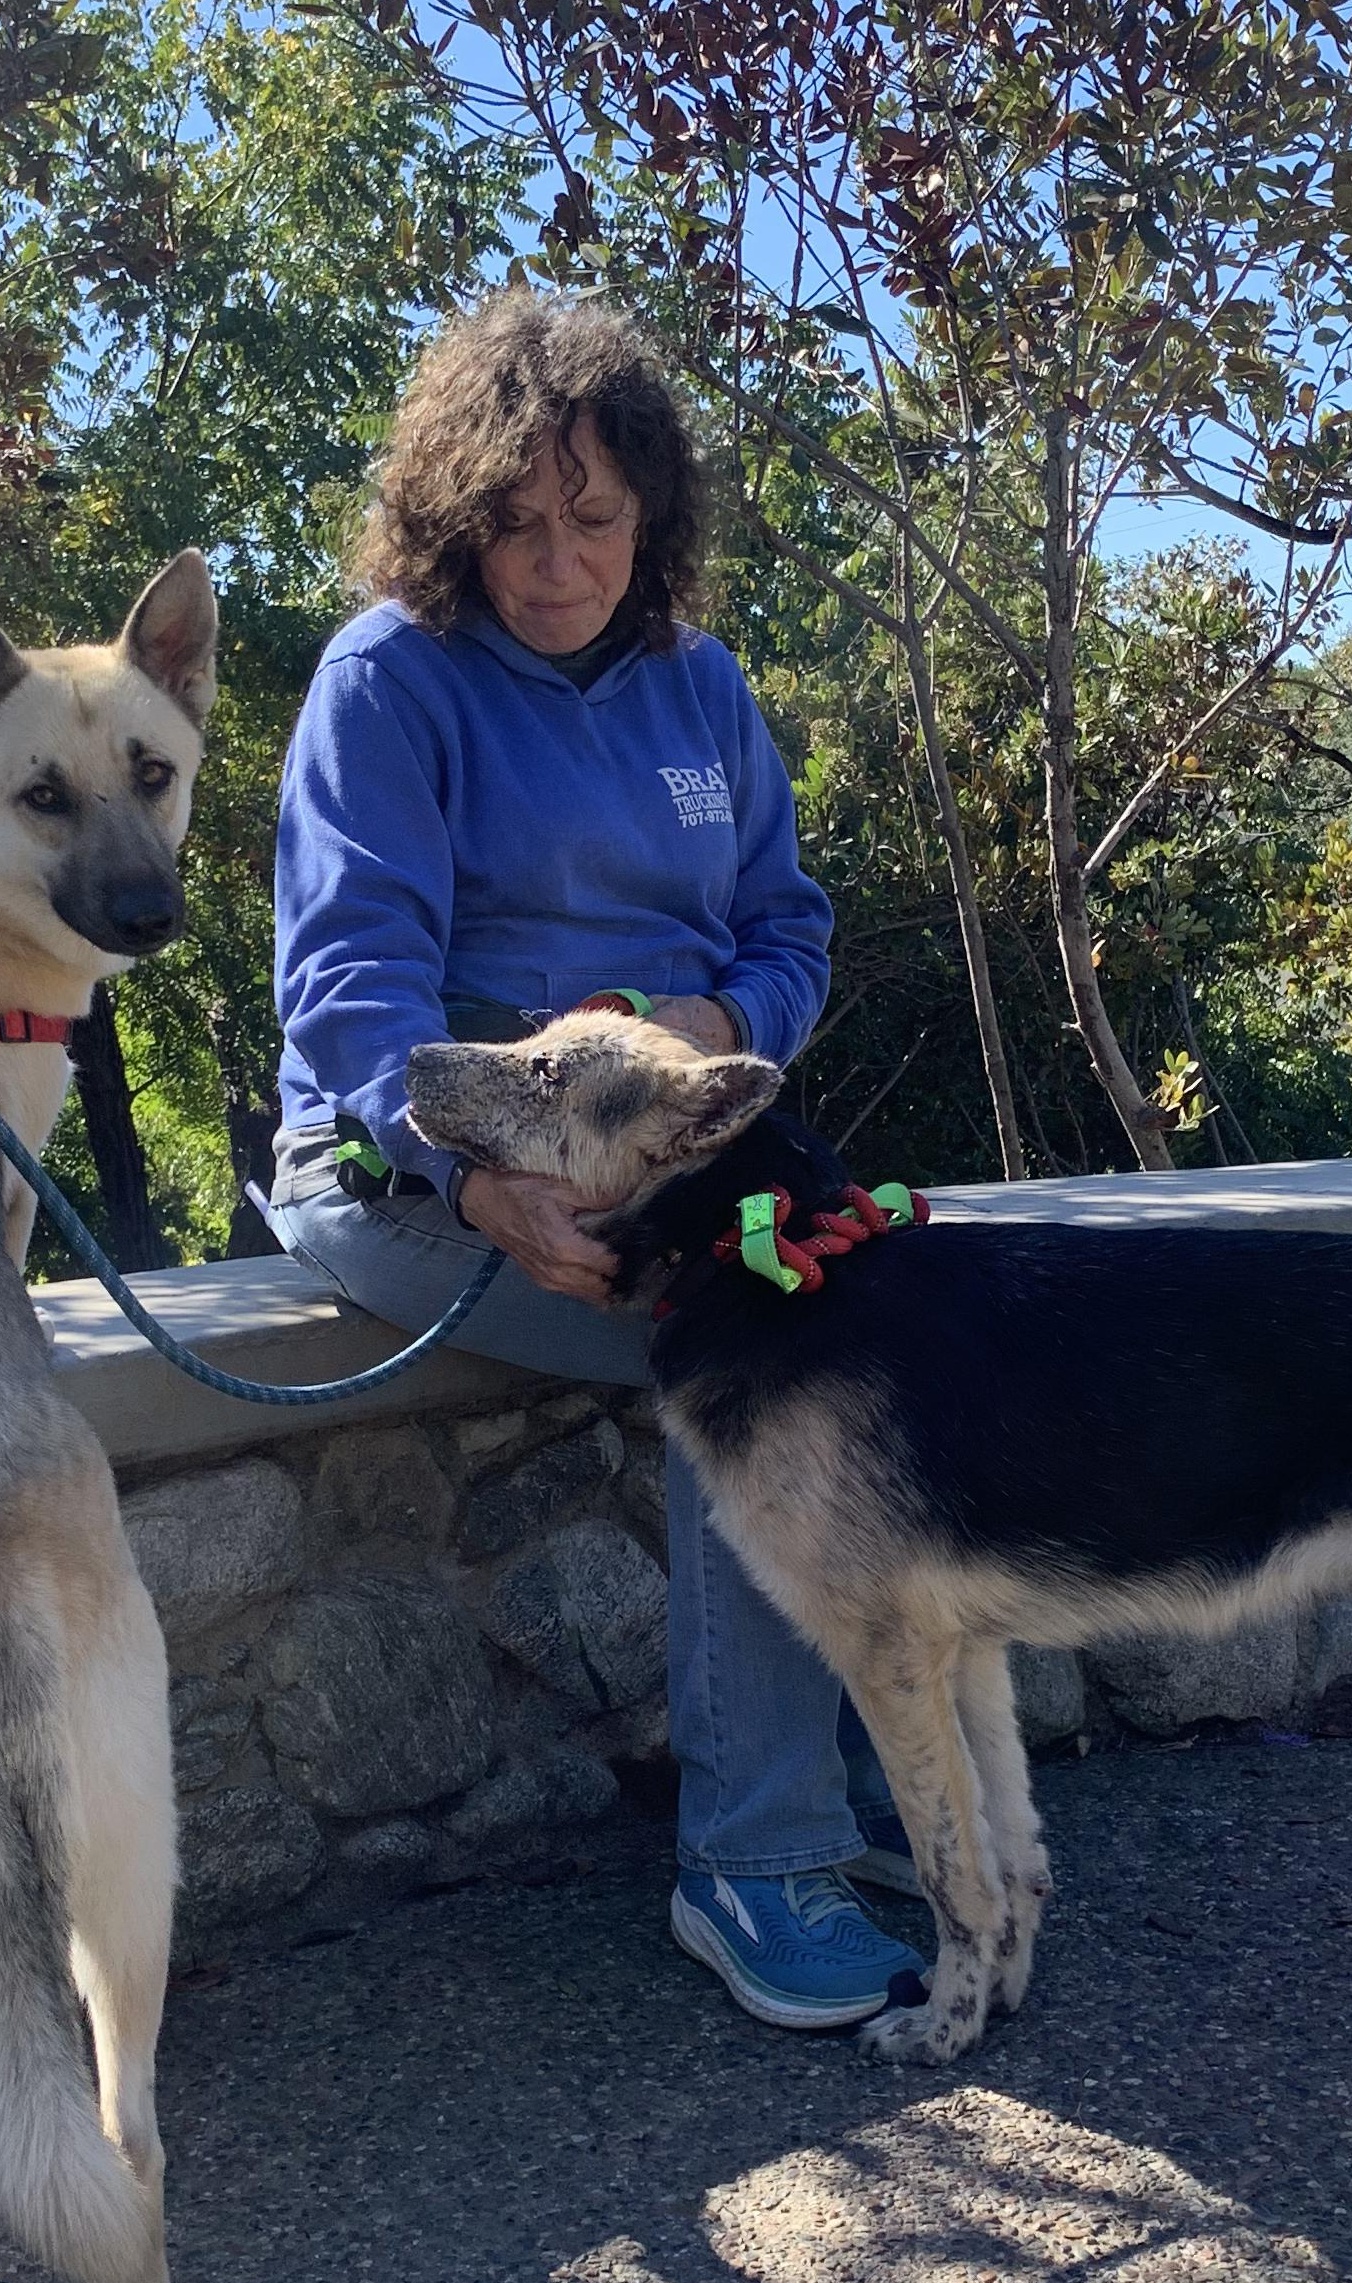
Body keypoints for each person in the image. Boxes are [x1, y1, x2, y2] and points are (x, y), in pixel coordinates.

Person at [270, 293, 925, 2029]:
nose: (558, 564)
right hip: (410, 1174)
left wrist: (719, 1022)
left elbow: (788, 929)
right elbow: (350, 990)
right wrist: (478, 1186)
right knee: (751, 1350)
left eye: (596, 519)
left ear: (653, 517)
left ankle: (861, 1781)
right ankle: (756, 1861)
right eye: (515, 523)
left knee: (882, 1312)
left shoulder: (699, 685)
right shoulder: (384, 683)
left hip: (665, 1151)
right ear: (451, 518)